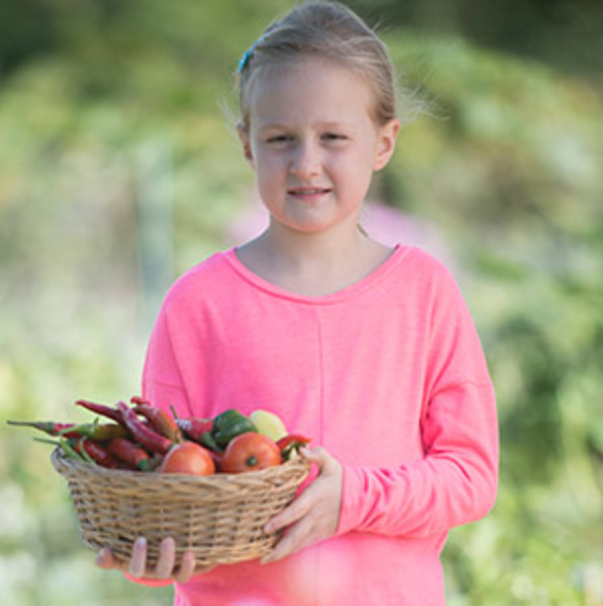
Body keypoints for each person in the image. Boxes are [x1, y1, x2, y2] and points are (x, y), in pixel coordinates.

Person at [96, 2, 499, 604]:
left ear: (383, 142)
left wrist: (353, 499)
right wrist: (150, 554)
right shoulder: (197, 304)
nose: (305, 163)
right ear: (247, 144)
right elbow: (163, 482)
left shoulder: (426, 293)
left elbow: (471, 476)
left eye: (333, 137)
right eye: (280, 138)